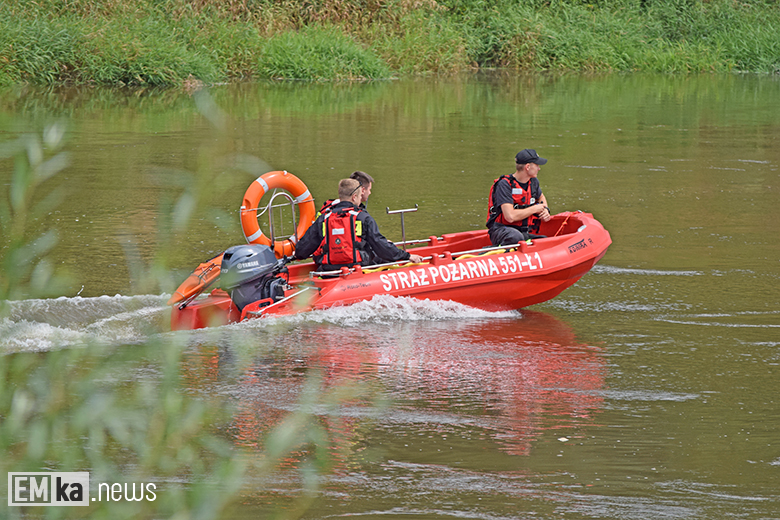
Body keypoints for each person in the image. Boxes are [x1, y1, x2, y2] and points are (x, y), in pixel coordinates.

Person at [294, 178, 423, 271]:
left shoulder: (324, 219)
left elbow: (302, 250)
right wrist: (407, 256)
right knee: (381, 258)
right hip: (358, 268)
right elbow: (381, 246)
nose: (361, 199)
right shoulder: (363, 217)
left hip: (329, 269)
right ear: (354, 197)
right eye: (361, 196)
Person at [486, 149, 552, 246]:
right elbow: (510, 217)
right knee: (515, 237)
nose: (539, 168)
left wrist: (545, 209)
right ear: (528, 167)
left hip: (523, 231)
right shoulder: (504, 185)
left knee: (544, 241)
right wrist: (534, 209)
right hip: (502, 230)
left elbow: (541, 197)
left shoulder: (533, 182)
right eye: (537, 165)